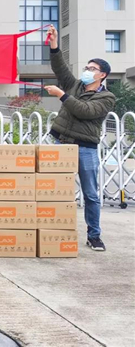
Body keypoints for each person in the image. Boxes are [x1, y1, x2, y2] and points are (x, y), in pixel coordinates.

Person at [44, 25, 116, 252]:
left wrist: (62, 95)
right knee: (53, 190)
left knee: (91, 194)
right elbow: (60, 67)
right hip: (60, 143)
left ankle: (94, 235)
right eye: (86, 67)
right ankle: (51, 232)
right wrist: (54, 44)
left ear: (102, 75)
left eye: (92, 69)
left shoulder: (107, 97)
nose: (87, 71)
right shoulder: (75, 85)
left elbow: (85, 111)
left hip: (85, 148)